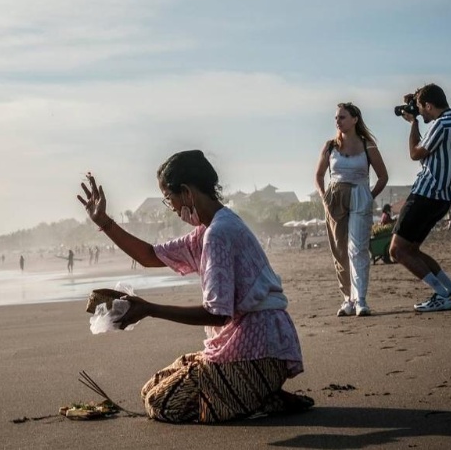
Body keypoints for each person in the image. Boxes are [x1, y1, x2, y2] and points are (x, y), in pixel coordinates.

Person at [77, 151, 310, 424]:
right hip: (255, 347)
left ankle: (257, 397)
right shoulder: (209, 229)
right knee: (154, 385)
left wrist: (150, 309)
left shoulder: (218, 234)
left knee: (162, 403)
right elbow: (150, 255)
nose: (172, 207)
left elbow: (217, 314)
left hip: (258, 352)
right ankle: (259, 394)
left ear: (186, 192)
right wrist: (103, 222)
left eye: (169, 198)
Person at [390, 84, 451, 312]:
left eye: (421, 108)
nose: (421, 113)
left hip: (426, 193)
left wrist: (413, 123)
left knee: (397, 250)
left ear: (429, 106)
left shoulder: (440, 124)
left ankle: (442, 294)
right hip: (445, 197)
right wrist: (416, 101)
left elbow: (415, 152)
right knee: (413, 250)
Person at [315, 102, 389, 317]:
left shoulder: (368, 145)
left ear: (355, 119)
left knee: (358, 248)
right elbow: (319, 175)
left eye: (342, 117)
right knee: (339, 250)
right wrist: (324, 198)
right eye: (336, 118)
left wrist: (369, 196)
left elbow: (383, 176)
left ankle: (361, 300)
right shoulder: (330, 146)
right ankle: (347, 298)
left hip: (360, 194)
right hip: (335, 196)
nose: (338, 121)